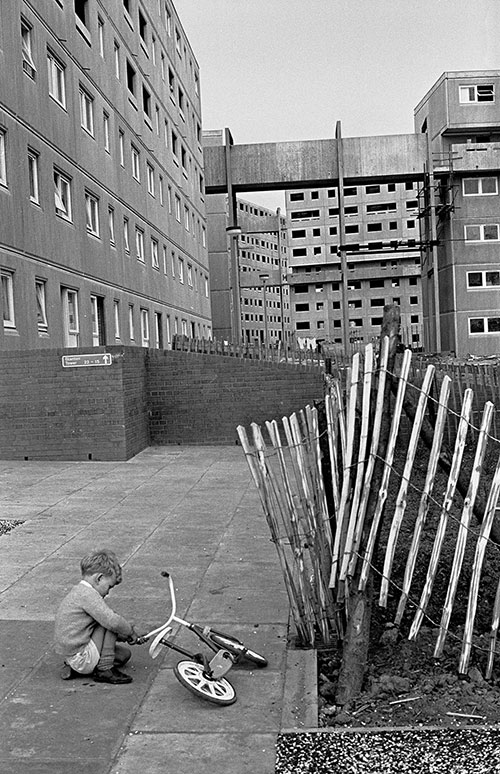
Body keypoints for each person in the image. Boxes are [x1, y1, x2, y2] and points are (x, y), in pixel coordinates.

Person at [54, 549, 139, 684]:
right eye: (109, 587)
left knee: (123, 656)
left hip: (72, 654)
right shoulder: (88, 595)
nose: (108, 592)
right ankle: (104, 669)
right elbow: (113, 622)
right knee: (110, 620)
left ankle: (75, 668)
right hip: (81, 656)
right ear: (99, 578)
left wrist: (125, 636)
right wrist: (131, 631)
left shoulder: (79, 591)